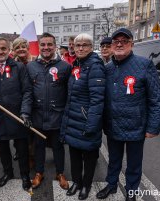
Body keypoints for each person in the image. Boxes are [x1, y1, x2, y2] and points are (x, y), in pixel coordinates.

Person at [96, 28, 160, 201]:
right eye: (116, 41)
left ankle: (131, 191)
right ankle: (111, 185)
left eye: (124, 41)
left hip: (136, 126)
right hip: (113, 124)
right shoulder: (107, 68)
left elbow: (155, 98)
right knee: (114, 159)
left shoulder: (144, 65)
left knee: (134, 164)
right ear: (111, 46)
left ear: (131, 44)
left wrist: (153, 126)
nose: (119, 44)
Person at [0, 37, 32, 191]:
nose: (0, 51)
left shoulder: (19, 67)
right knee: (3, 148)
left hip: (18, 116)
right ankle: (8, 172)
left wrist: (25, 112)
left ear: (9, 50)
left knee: (22, 149)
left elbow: (27, 91)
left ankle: (24, 175)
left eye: (3, 48)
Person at [60, 33, 105, 200]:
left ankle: (86, 185)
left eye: (84, 45)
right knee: (74, 156)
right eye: (77, 45)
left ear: (91, 47)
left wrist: (91, 124)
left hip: (86, 121)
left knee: (90, 158)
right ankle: (77, 182)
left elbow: (97, 98)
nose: (80, 48)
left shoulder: (95, 66)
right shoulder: (77, 64)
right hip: (73, 120)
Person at [26, 32, 71, 190]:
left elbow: (69, 92)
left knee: (58, 146)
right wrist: (25, 113)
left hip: (57, 115)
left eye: (49, 44)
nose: (46, 47)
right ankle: (39, 172)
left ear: (55, 46)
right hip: (37, 115)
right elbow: (28, 92)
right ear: (39, 46)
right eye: (43, 45)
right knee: (38, 145)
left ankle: (60, 173)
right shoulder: (30, 66)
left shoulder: (65, 67)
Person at [12, 37, 35, 168]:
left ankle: (32, 155)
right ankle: (19, 150)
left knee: (31, 131)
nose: (20, 49)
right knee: (18, 130)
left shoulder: (35, 61)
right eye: (17, 47)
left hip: (34, 101)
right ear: (14, 50)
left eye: (23, 46)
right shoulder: (12, 64)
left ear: (28, 48)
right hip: (17, 102)